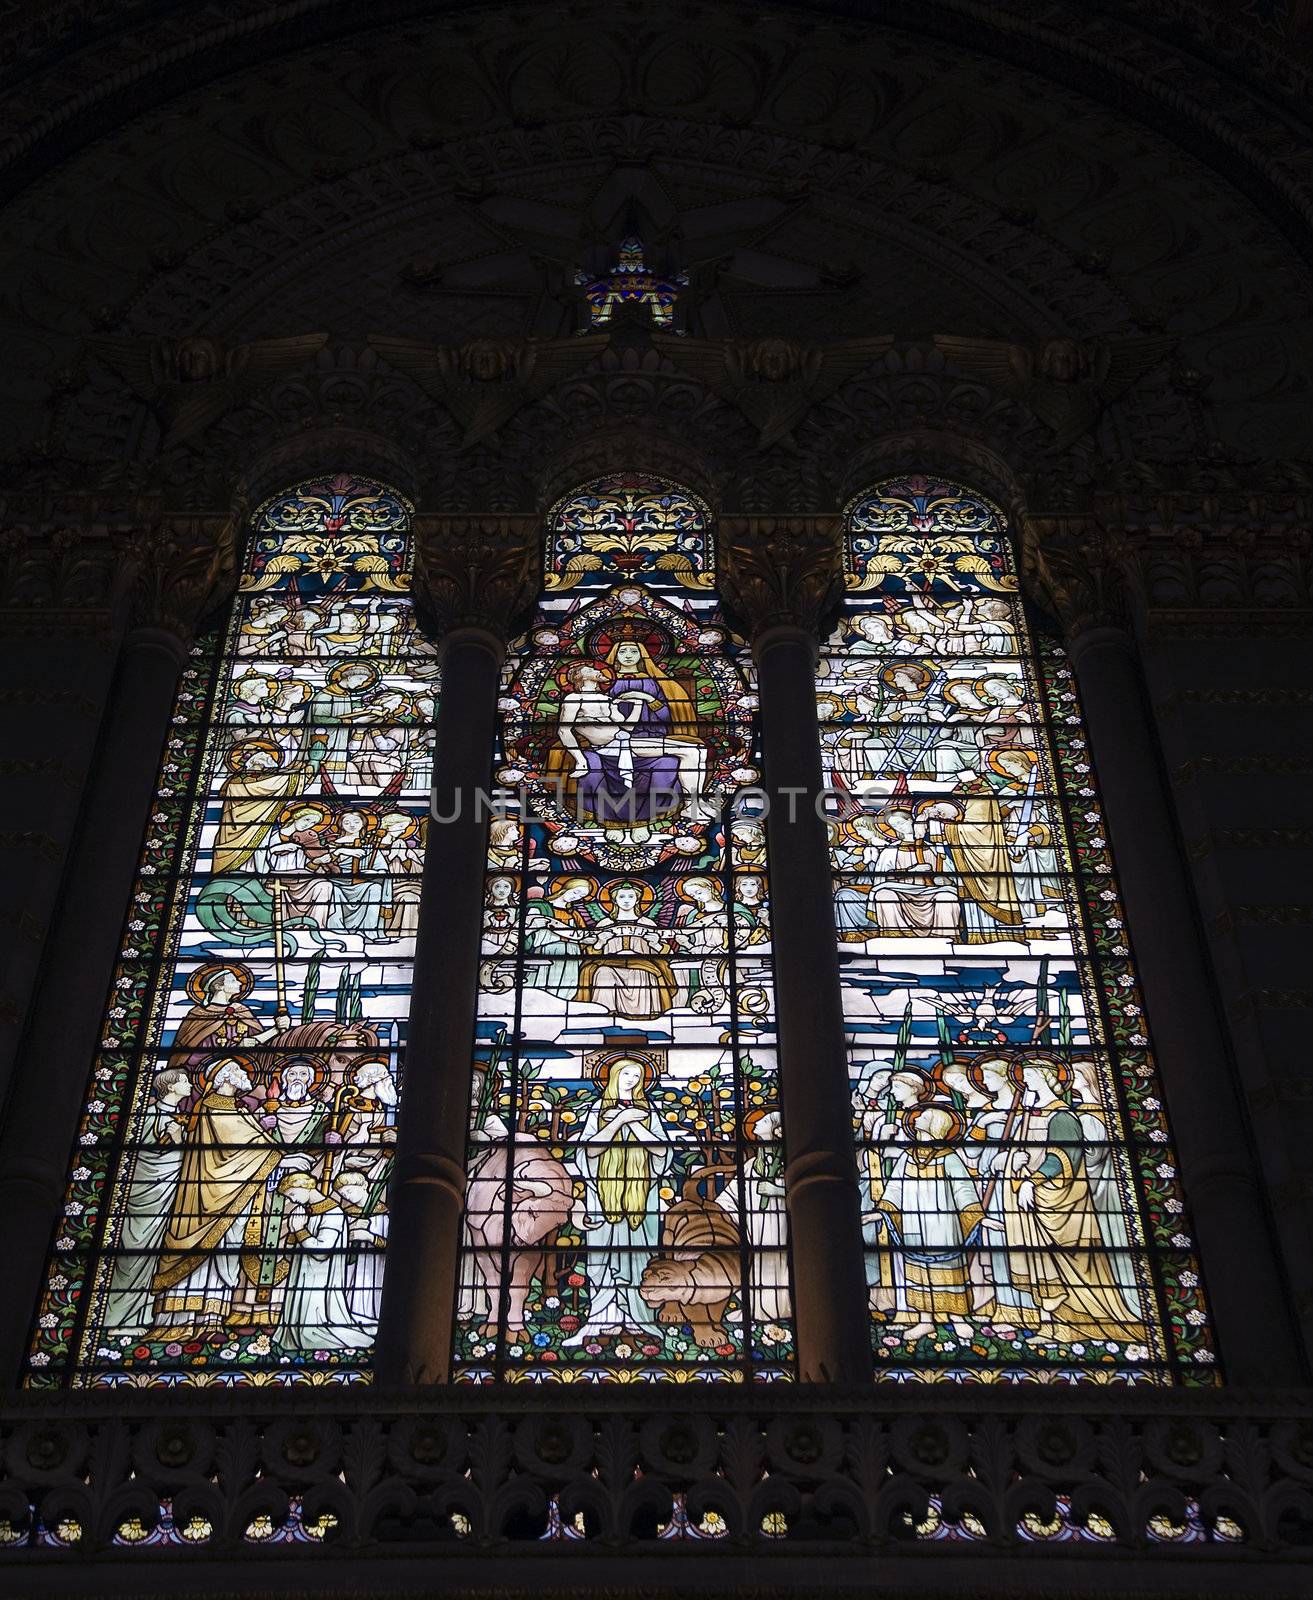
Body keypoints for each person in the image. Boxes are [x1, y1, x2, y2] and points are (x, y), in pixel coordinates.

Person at [147, 1057, 282, 1340]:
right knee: (208, 1252)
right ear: (225, 1077)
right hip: (209, 1194)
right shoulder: (213, 1108)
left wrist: (263, 1133)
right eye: (238, 1070)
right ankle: (179, 1322)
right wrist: (273, 1148)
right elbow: (240, 1144)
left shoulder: (236, 1108)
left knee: (226, 1251)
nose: (245, 1074)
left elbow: (248, 1141)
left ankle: (211, 1319)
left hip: (230, 1192)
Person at [564, 1056, 675, 1343]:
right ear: (613, 1075)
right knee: (602, 1260)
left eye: (637, 1075)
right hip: (603, 1197)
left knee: (639, 1259)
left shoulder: (647, 1109)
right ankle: (604, 1318)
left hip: (642, 1198)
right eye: (626, 1073)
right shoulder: (599, 1108)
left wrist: (632, 1121)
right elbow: (588, 1151)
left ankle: (639, 1318)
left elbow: (662, 1152)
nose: (632, 1079)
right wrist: (618, 1121)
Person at [876, 1104, 984, 1342]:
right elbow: (894, 1188)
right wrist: (881, 1211)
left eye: (924, 1117)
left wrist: (978, 1216)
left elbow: (963, 1189)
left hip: (943, 1223)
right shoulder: (907, 1156)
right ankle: (925, 1320)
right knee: (919, 1271)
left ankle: (957, 1318)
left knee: (948, 1268)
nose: (916, 1119)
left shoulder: (949, 1158)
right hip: (913, 1220)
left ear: (936, 1125)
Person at [102, 1068, 191, 1334]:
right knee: (134, 1252)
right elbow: (137, 1153)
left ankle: (138, 1317)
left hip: (169, 1189)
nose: (188, 1085)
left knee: (152, 1255)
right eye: (184, 1081)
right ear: (171, 1087)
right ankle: (115, 1320)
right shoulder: (148, 1114)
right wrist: (174, 1138)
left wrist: (178, 1139)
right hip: (145, 1192)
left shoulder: (176, 1116)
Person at [277, 1172, 372, 1351]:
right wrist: (293, 1232)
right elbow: (290, 1256)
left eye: (292, 1194)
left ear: (305, 1187)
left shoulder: (333, 1213)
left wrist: (299, 1230)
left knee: (314, 1332)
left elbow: (322, 1252)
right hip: (300, 1278)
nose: (292, 1201)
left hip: (320, 1284)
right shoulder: (304, 1213)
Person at [576, 881, 678, 1019]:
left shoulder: (648, 923)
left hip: (643, 965)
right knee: (601, 972)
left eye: (631, 897)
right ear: (614, 900)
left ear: (637, 900)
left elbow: (666, 953)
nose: (626, 901)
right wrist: (600, 942)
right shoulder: (605, 924)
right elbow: (591, 953)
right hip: (609, 964)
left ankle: (644, 1016)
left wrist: (656, 944)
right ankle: (604, 1015)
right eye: (621, 897)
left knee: (643, 974)